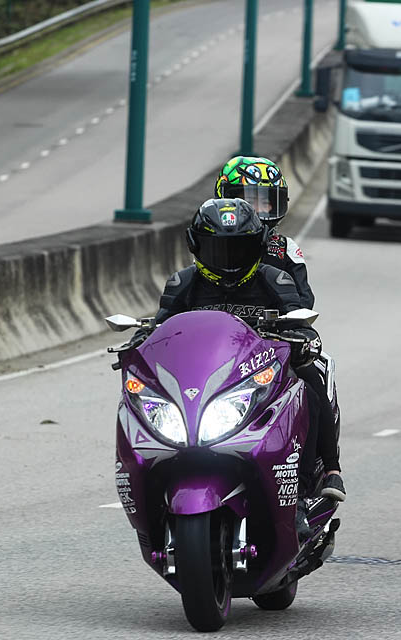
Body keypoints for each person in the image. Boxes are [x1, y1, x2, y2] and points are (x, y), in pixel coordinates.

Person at [138, 199, 345, 536]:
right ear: (196, 246)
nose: (228, 260)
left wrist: (301, 336)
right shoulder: (183, 283)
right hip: (205, 378)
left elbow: (300, 317)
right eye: (217, 250)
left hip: (258, 375)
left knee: (310, 380)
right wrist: (138, 341)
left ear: (258, 247)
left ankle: (315, 482)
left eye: (239, 249)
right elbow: (158, 331)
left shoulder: (275, 280)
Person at [215, 156, 314, 309]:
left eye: (265, 203)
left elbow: (304, 300)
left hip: (267, 329)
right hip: (220, 326)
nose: (259, 210)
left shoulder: (286, 248)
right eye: (250, 201)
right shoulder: (211, 243)